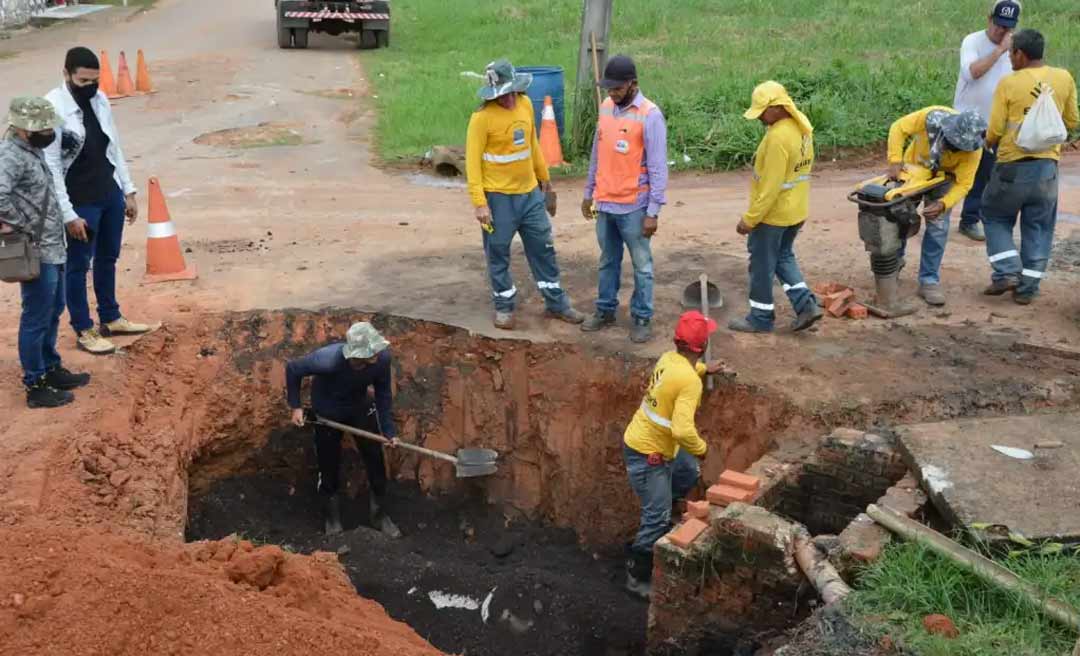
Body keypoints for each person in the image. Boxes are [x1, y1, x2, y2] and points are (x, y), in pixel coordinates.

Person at [44, 47, 149, 356]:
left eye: (94, 80)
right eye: (83, 80)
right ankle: (83, 328)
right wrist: (68, 214)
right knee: (78, 266)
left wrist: (127, 191)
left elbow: (113, 146)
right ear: (66, 74)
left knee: (108, 258)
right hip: (80, 201)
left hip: (108, 193)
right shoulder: (53, 107)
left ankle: (111, 317)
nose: (89, 86)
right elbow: (51, 168)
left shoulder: (100, 99)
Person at [465, 58, 584, 330]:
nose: (508, 99)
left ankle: (557, 303)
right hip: (497, 199)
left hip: (530, 194)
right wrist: (479, 204)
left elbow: (533, 145)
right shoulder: (481, 119)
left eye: (511, 93)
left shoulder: (527, 105)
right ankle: (504, 306)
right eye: (503, 95)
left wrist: (546, 181)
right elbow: (472, 165)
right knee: (497, 252)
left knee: (543, 247)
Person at [622, 310, 725, 598]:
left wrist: (705, 369)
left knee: (688, 472)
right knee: (656, 517)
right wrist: (703, 449)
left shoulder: (668, 358)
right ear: (701, 347)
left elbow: (683, 372)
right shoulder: (689, 383)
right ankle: (636, 575)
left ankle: (667, 508)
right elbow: (682, 431)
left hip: (655, 445)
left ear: (677, 341)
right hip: (647, 454)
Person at [0, 97, 91, 408]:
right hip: (35, 247)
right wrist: (19, 224)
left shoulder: (32, 149)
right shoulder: (10, 155)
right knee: (37, 315)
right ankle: (35, 383)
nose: (50, 131)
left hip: (53, 244)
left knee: (54, 309)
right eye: (44, 127)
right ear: (26, 129)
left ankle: (51, 367)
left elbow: (69, 152)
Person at [983, 29, 1079, 305]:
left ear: (1020, 54)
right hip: (1047, 169)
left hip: (1012, 166)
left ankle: (1007, 270)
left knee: (994, 216)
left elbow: (996, 129)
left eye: (1012, 53)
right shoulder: (1063, 78)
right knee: (1038, 226)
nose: (1010, 58)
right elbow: (1072, 122)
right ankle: (1027, 289)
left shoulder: (1009, 83)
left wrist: (986, 142)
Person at [579, 55, 668, 344]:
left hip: (635, 207)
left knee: (642, 266)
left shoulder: (649, 114)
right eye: (609, 88)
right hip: (605, 205)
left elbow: (657, 167)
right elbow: (597, 152)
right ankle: (605, 310)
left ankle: (642, 317)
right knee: (608, 261)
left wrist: (653, 211)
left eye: (617, 88)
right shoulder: (606, 107)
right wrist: (588, 192)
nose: (612, 93)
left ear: (633, 84)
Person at [285, 322, 402, 538]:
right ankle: (332, 519)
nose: (378, 352)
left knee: (375, 459)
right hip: (328, 412)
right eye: (373, 351)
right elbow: (293, 369)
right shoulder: (327, 361)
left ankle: (379, 516)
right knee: (328, 465)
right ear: (357, 354)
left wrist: (388, 430)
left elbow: (383, 394)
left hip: (359, 406)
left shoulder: (381, 359)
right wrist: (296, 407)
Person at [729, 81, 822, 334]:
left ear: (778, 107)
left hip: (773, 216)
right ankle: (806, 306)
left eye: (762, 111)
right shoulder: (801, 126)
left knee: (761, 265)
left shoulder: (778, 138)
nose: (759, 117)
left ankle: (760, 317)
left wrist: (750, 219)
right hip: (796, 211)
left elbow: (770, 187)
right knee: (783, 256)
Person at [887, 107, 986, 306]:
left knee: (938, 227)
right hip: (913, 170)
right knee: (899, 218)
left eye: (960, 148)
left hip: (943, 180)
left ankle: (929, 280)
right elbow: (898, 128)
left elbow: (964, 184)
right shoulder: (931, 117)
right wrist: (895, 161)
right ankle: (892, 265)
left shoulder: (974, 150)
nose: (955, 149)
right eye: (953, 144)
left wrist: (943, 204)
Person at [953, 0, 1022, 242]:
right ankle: (937, 215)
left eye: (1007, 27)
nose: (1001, 31)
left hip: (994, 123)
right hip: (965, 120)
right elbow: (972, 73)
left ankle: (970, 219)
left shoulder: (1017, 47)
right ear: (988, 19)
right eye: (998, 25)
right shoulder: (972, 41)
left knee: (986, 174)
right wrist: (999, 51)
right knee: (953, 172)